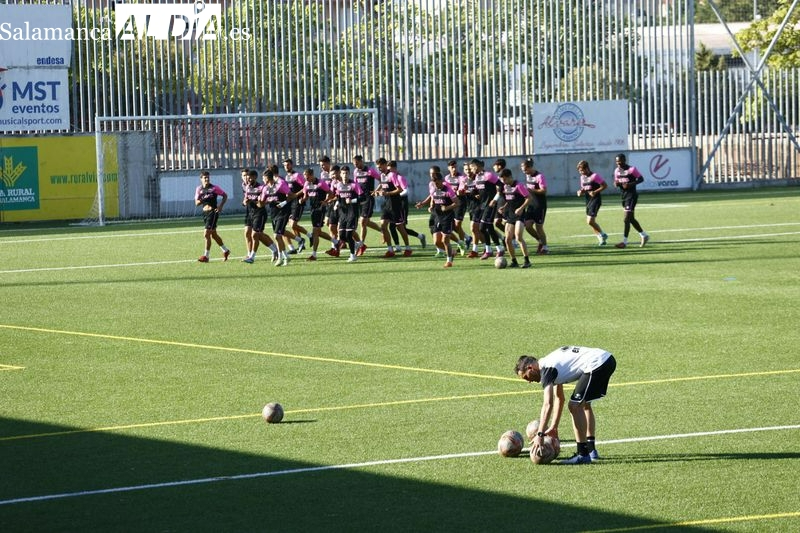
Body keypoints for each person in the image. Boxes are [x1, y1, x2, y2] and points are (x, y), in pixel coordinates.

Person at [515, 346, 617, 465]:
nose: (529, 381)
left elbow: (548, 404)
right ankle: (591, 450)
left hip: (597, 363)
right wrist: (554, 426)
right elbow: (559, 398)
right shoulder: (551, 363)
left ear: (530, 368)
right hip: (606, 360)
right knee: (584, 405)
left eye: (526, 377)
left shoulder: (546, 370)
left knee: (574, 406)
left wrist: (540, 434)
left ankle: (583, 455)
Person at [259, 168, 295, 267]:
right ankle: (286, 256)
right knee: (279, 236)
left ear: (267, 177)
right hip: (274, 213)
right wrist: (256, 200)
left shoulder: (280, 185)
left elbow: (292, 195)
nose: (262, 179)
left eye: (263, 177)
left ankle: (280, 258)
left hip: (283, 212)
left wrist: (284, 202)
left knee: (277, 236)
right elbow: (262, 203)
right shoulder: (265, 188)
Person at [613, 153, 650, 248]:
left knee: (626, 219)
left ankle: (624, 242)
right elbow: (617, 181)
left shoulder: (632, 169)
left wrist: (630, 184)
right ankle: (644, 235)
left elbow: (641, 179)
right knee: (631, 219)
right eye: (617, 161)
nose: (618, 163)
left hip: (632, 196)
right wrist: (616, 184)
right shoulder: (617, 170)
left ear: (624, 160)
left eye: (620, 161)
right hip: (624, 196)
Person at [497, 168, 532, 268]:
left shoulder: (519, 185)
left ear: (509, 177)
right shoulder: (504, 187)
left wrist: (521, 208)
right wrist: (503, 207)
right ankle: (514, 261)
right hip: (510, 215)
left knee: (518, 237)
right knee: (507, 239)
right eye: (502, 180)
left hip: (519, 215)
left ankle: (527, 260)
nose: (503, 182)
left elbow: (529, 198)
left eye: (504, 180)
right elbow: (509, 199)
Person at [242, 169, 278, 263]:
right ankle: (274, 250)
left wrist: (255, 201)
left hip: (259, 213)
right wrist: (245, 202)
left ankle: (252, 257)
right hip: (250, 213)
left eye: (249, 177)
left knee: (255, 234)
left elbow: (265, 201)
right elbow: (245, 199)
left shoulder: (262, 187)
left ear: (254, 177)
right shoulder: (247, 187)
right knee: (253, 234)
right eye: (246, 177)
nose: (248, 179)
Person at [299, 167, 335, 261]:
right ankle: (336, 242)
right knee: (318, 232)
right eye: (305, 177)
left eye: (307, 177)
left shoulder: (321, 183)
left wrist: (325, 201)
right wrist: (302, 200)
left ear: (311, 175)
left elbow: (331, 193)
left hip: (320, 209)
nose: (305, 179)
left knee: (315, 231)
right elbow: (306, 196)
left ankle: (314, 255)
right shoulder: (306, 184)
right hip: (313, 210)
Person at [194, 171, 231, 262]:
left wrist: (220, 206)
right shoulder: (199, 189)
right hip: (205, 214)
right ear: (201, 179)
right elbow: (197, 203)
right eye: (204, 177)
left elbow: (225, 195)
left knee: (206, 233)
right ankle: (225, 250)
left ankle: (206, 256)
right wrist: (204, 198)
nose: (206, 179)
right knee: (213, 235)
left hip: (213, 212)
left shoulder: (214, 188)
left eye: (208, 177)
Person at [352, 154, 383, 256]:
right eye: (354, 163)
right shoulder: (356, 172)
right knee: (366, 222)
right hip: (359, 199)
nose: (356, 165)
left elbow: (382, 180)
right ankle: (383, 230)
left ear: (361, 161)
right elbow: (356, 185)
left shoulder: (370, 171)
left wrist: (376, 190)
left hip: (368, 199)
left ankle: (361, 245)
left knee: (362, 222)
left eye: (357, 163)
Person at [428, 169, 460, 268]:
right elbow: (432, 198)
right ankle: (452, 252)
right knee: (436, 242)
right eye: (434, 183)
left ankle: (449, 261)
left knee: (445, 240)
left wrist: (447, 208)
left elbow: (457, 203)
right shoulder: (434, 189)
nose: (436, 185)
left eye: (437, 183)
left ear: (442, 181)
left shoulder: (448, 190)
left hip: (448, 217)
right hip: (438, 217)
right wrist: (430, 205)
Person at [333, 166, 364, 262]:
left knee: (348, 234)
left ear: (349, 174)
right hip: (342, 213)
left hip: (352, 212)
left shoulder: (354, 185)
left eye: (346, 173)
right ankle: (356, 244)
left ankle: (352, 255)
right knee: (342, 236)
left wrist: (352, 200)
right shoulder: (338, 185)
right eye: (343, 173)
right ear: (340, 174)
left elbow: (363, 197)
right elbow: (338, 196)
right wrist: (336, 204)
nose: (345, 175)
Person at [576, 160, 609, 246]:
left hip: (596, 200)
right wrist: (580, 191)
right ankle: (601, 239)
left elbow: (605, 185)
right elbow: (584, 188)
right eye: (579, 171)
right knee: (591, 222)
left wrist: (595, 192)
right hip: (588, 200)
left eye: (582, 170)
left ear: (587, 168)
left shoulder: (595, 176)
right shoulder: (582, 177)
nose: (581, 172)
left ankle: (602, 234)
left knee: (590, 221)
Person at [521, 158, 549, 255]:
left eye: (525, 170)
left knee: (539, 227)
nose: (524, 172)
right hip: (531, 205)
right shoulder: (528, 176)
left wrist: (531, 190)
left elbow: (544, 190)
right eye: (523, 170)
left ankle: (545, 247)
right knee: (527, 225)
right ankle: (540, 241)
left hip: (540, 205)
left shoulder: (539, 176)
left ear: (530, 167)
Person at [282, 158, 309, 254]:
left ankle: (309, 235)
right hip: (290, 203)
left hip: (298, 202)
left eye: (288, 165)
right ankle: (299, 243)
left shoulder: (297, 175)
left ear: (292, 165)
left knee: (293, 224)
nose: (286, 167)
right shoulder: (287, 177)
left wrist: (298, 196)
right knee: (291, 225)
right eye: (285, 165)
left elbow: (305, 187)